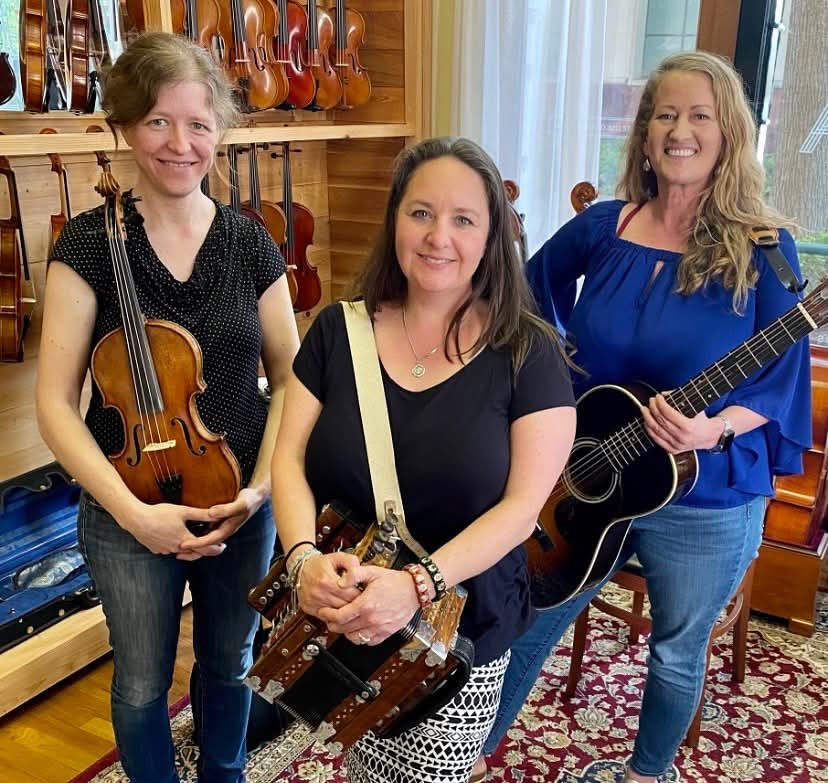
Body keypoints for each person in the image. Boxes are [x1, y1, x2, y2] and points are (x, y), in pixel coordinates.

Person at [475, 50, 812, 783]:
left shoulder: (765, 249)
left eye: (699, 116)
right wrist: (553, 368)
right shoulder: (605, 226)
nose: (679, 131)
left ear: (728, 134)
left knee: (675, 651)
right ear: (645, 133)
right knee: (527, 618)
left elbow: (781, 380)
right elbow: (525, 293)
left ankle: (646, 773)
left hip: (704, 489)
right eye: (665, 115)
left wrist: (713, 429)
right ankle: (465, 755)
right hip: (590, 470)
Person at [270, 136, 577, 783]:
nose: (439, 236)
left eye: (464, 218)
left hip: (457, 628)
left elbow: (522, 509)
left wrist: (414, 585)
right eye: (421, 212)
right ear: (394, 221)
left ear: (491, 237)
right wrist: (301, 560)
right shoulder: (337, 331)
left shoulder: (530, 354)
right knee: (361, 764)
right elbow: (289, 459)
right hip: (345, 609)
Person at [35, 33, 300, 783]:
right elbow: (54, 403)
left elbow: (289, 379)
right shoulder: (87, 245)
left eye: (197, 124)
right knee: (142, 680)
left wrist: (260, 491)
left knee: (230, 662)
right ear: (124, 125)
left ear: (220, 130)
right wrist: (132, 513)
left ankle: (225, 774)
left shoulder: (251, 243)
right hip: (127, 505)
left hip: (239, 501)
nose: (180, 144)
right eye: (157, 121)